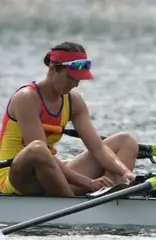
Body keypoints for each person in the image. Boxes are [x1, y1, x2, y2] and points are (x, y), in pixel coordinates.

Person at [0, 42, 137, 197]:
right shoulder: (26, 98)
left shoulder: (74, 101)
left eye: (78, 80)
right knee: (38, 149)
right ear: (53, 68)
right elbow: (40, 151)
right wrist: (87, 182)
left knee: (126, 141)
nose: (75, 85)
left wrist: (125, 172)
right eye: (70, 78)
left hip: (50, 173)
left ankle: (108, 198)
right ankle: (71, 204)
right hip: (16, 177)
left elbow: (97, 148)